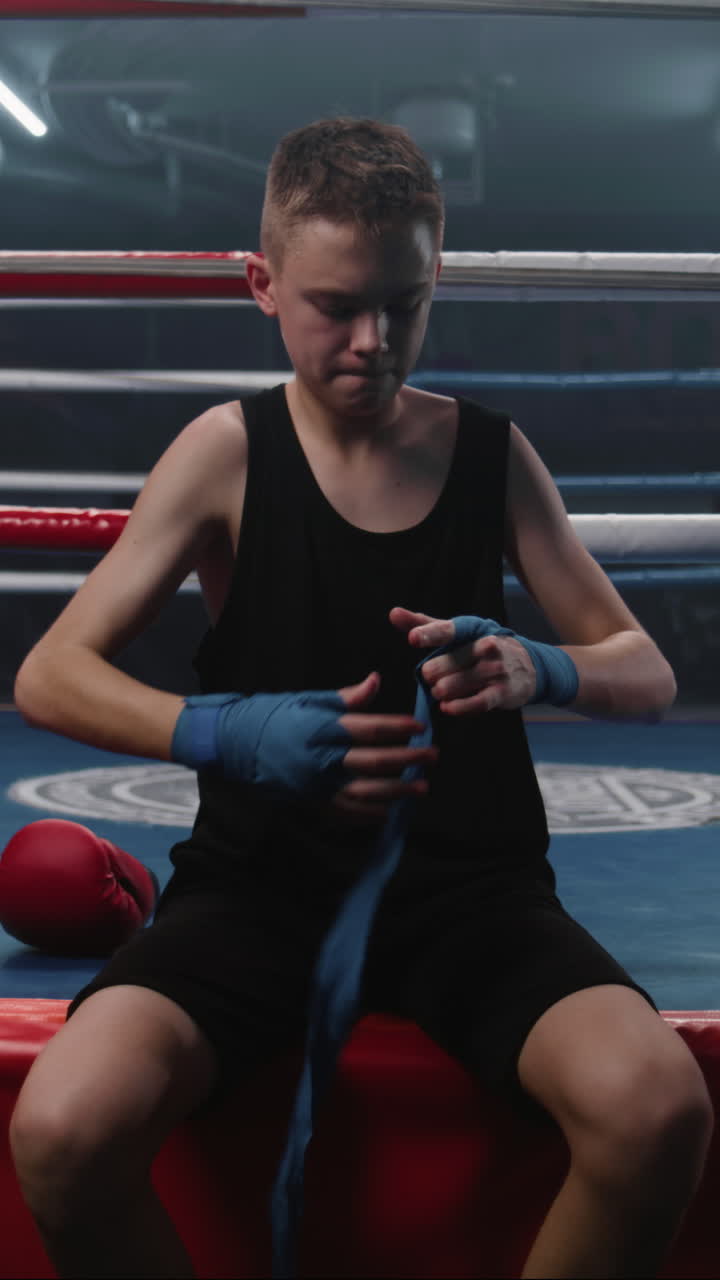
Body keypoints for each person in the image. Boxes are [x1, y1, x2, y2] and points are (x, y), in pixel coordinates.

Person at [9, 117, 712, 1280]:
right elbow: (50, 671)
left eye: (405, 302)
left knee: (657, 1108)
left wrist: (548, 666)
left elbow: (647, 667)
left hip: (470, 897)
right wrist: (222, 729)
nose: (374, 340)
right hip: (256, 895)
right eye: (337, 304)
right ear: (263, 285)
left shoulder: (489, 454)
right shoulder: (225, 454)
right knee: (61, 1127)